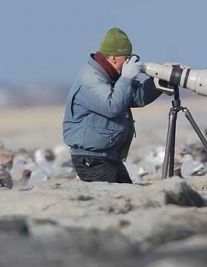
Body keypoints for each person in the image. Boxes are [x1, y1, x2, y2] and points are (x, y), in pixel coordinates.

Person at [62, 27, 162, 183]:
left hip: (107, 155)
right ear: (114, 58)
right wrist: (126, 78)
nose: (129, 62)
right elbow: (112, 106)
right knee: (109, 200)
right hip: (92, 158)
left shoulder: (111, 76)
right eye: (126, 58)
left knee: (128, 196)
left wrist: (162, 79)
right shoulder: (91, 79)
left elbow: (138, 97)